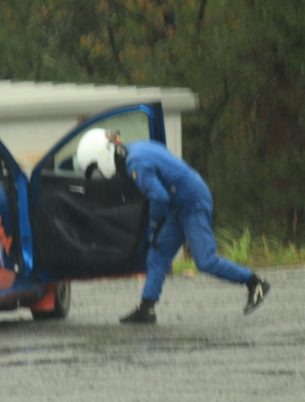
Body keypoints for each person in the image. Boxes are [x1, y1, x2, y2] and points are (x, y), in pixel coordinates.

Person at [75, 128, 270, 324]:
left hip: (191, 202)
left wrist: (153, 227)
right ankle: (146, 308)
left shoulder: (135, 163)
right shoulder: (135, 148)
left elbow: (159, 198)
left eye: (97, 167)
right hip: (182, 201)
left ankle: (255, 283)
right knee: (158, 254)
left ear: (102, 157)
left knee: (205, 261)